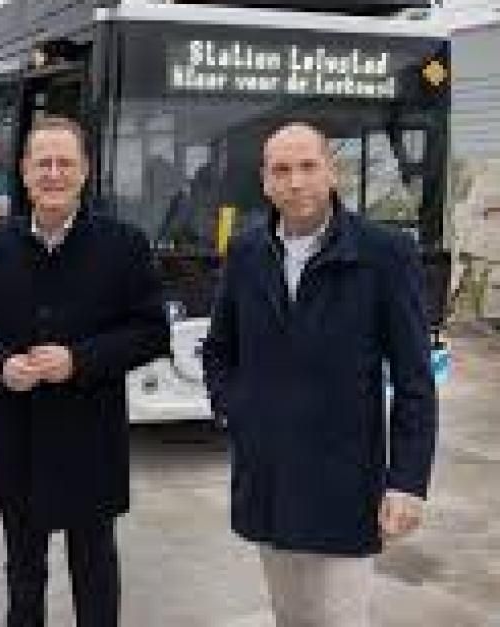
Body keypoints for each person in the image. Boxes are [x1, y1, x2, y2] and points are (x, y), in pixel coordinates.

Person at [202, 122, 438, 626]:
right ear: (265, 182)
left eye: (308, 166)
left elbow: (415, 379)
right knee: (289, 616)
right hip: (268, 481)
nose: (296, 182)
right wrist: (237, 411)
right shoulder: (246, 252)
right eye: (281, 170)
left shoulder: (384, 254)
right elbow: (219, 350)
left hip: (345, 487)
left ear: (332, 172)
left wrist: (408, 481)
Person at [0, 116, 171, 627]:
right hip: (17, 445)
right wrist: (0, 365)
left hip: (91, 445)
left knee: (95, 576)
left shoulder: (125, 245)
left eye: (65, 163)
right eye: (43, 163)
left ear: (85, 171)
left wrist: (79, 360)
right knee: (23, 579)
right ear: (25, 171)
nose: (53, 173)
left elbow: (151, 332)